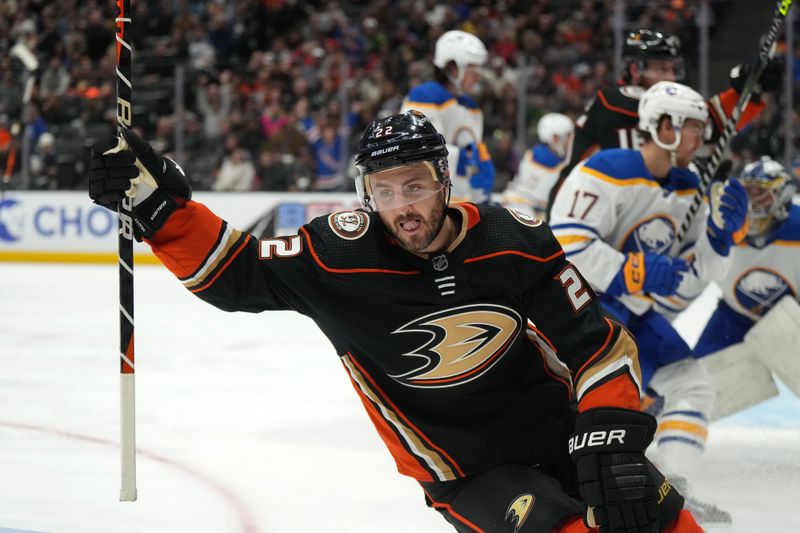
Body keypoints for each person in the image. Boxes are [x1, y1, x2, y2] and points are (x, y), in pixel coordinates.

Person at [88, 110, 701, 532]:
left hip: (560, 432)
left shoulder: (515, 241)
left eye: (415, 186)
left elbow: (595, 343)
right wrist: (159, 208)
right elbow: (234, 273)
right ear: (366, 195)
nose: (403, 208)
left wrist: (610, 434)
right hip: (467, 473)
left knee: (662, 518)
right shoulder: (337, 254)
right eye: (385, 191)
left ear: (443, 180)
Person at [549, 82, 749, 524]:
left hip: (633, 313)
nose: (701, 139)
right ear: (662, 126)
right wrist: (630, 270)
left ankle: (674, 484)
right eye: (693, 128)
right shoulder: (606, 168)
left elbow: (694, 275)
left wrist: (719, 240)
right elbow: (564, 240)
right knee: (579, 407)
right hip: (580, 310)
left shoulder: (690, 186)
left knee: (691, 385)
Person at [547, 28, 779, 315]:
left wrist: (746, 92)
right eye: (660, 68)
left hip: (623, 231)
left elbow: (696, 125)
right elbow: (690, 122)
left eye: (673, 68)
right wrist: (730, 101)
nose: (670, 76)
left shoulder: (659, 121)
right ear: (634, 69)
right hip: (584, 235)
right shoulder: (613, 103)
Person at [694, 157, 800, 416]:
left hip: (791, 316)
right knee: (693, 385)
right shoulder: (726, 224)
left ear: (782, 196)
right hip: (734, 316)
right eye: (747, 192)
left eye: (760, 194)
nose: (751, 202)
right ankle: (670, 440)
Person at [401, 30, 496, 204]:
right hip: (428, 199)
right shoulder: (425, 96)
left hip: (459, 199)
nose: (477, 75)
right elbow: (417, 151)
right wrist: (460, 158)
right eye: (472, 68)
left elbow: (473, 151)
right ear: (453, 68)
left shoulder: (471, 106)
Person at [502, 113, 574, 220]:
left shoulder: (535, 152)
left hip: (517, 206)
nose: (570, 141)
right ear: (555, 138)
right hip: (523, 209)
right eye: (568, 136)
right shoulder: (548, 158)